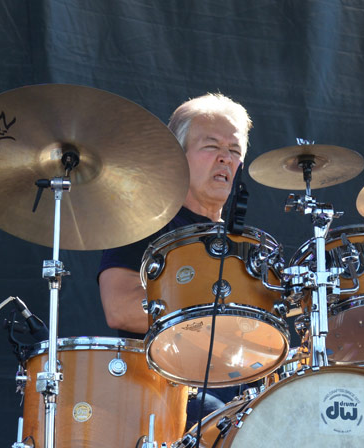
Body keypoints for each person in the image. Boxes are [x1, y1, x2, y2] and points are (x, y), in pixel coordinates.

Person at [97, 93, 252, 424]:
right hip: (165, 392)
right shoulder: (146, 224)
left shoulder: (248, 247)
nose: (225, 158)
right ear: (177, 156)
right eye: (211, 146)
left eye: (235, 151)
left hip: (239, 389)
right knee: (217, 416)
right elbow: (119, 308)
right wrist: (211, 316)